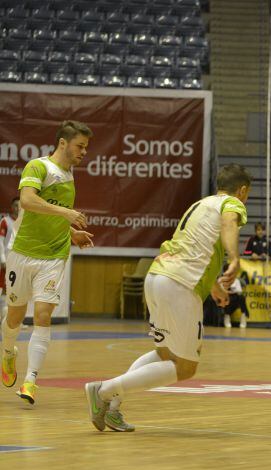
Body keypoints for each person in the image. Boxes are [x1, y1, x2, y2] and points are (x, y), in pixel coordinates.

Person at [84, 164, 250, 432]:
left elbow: (194, 250)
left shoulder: (199, 205)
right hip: (179, 285)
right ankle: (103, 391)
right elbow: (229, 223)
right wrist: (235, 258)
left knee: (164, 353)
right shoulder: (232, 204)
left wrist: (213, 288)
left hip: (158, 276)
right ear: (242, 191)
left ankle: (113, 407)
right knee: (185, 368)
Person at [1, 121, 95, 404]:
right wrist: (66, 215)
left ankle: (30, 382)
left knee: (42, 315)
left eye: (86, 148)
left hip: (54, 254)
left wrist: (71, 232)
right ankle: (7, 352)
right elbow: (28, 201)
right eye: (80, 146)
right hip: (23, 252)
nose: (83, 152)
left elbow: (55, 215)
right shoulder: (38, 167)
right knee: (15, 315)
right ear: (63, 143)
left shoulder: (69, 174)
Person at [0, 197, 20, 321]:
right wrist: (2, 260)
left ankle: (13, 321)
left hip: (18, 264)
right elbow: (0, 242)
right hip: (5, 263)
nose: (18, 208)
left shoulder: (25, 223)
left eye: (20, 205)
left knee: (15, 293)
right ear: (12, 207)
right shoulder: (5, 221)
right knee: (1, 290)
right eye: (16, 205)